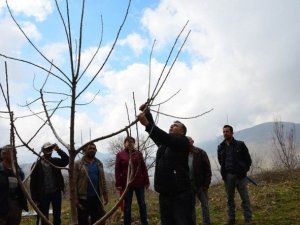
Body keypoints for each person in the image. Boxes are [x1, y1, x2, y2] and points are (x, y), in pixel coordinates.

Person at [138, 105, 193, 225]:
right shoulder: (165, 145)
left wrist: (147, 124)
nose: (171, 126)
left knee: (182, 221)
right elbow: (158, 136)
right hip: (165, 193)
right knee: (167, 221)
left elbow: (165, 138)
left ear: (182, 132)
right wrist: (147, 113)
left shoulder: (182, 142)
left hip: (179, 193)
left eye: (175, 125)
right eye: (171, 125)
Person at [217, 125, 252, 225]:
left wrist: (244, 170)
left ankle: (248, 219)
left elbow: (248, 160)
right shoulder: (221, 147)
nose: (225, 133)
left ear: (232, 133)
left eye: (227, 131)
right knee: (230, 200)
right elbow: (221, 161)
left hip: (240, 176)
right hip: (228, 177)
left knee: (245, 198)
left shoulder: (240, 144)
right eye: (224, 132)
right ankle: (231, 219)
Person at [30, 142, 69, 225]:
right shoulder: (36, 165)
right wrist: (35, 199)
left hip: (56, 193)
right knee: (44, 217)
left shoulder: (55, 161)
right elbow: (33, 184)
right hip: (43, 195)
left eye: (50, 149)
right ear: (43, 151)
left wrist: (58, 150)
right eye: (47, 149)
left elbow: (66, 160)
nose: (49, 151)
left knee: (57, 216)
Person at [115, 136, 150, 225]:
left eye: (132, 142)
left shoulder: (138, 154)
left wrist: (146, 181)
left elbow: (143, 168)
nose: (130, 143)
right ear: (124, 143)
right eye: (128, 142)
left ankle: (144, 222)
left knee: (142, 204)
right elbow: (117, 170)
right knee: (127, 206)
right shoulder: (120, 154)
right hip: (126, 184)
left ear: (134, 144)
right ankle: (127, 223)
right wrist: (118, 184)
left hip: (139, 183)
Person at [74, 142, 108, 225]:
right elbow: (73, 182)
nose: (92, 150)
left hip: (97, 197)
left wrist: (105, 193)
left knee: (98, 220)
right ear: (85, 150)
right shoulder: (78, 164)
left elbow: (103, 179)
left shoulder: (99, 163)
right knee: (83, 221)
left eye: (94, 149)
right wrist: (75, 198)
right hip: (83, 198)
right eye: (90, 148)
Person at [0, 145, 28, 225]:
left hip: (16, 206)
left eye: (15, 153)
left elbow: (21, 181)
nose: (15, 155)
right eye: (13, 153)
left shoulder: (17, 170)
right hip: (2, 206)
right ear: (4, 154)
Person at [187, 136, 212, 225]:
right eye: (185, 141)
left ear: (192, 141)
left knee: (205, 205)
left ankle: (207, 223)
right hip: (189, 185)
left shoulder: (200, 153)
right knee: (191, 207)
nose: (187, 142)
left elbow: (208, 169)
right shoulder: (182, 154)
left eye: (189, 140)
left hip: (200, 184)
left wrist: (206, 184)